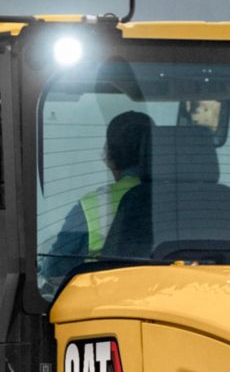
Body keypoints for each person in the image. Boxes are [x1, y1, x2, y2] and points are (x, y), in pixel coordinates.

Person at [42, 110, 153, 290]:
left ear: (109, 156)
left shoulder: (92, 205)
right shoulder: (190, 202)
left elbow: (56, 269)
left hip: (106, 306)